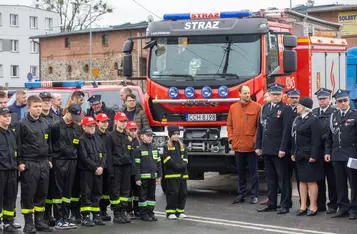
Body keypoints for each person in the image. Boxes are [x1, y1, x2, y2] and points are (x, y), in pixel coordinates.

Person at [17, 95, 52, 233]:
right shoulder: (22, 124)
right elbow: (18, 144)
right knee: (28, 194)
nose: (39, 109)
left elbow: (49, 143)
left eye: (40, 106)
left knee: (41, 193)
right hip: (29, 163)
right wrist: (19, 162)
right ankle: (29, 223)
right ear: (29, 107)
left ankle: (39, 221)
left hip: (44, 163)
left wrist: (49, 160)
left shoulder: (45, 123)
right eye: (36, 106)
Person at [255, 84, 293, 215]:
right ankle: (271, 203)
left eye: (278, 94)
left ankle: (285, 204)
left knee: (283, 179)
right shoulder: (264, 108)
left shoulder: (285, 109)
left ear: (282, 95)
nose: (276, 96)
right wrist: (258, 146)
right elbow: (260, 128)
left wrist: (283, 148)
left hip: (279, 150)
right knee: (270, 179)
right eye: (273, 94)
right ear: (269, 95)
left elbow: (286, 130)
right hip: (267, 149)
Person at [325, 89, 357, 220]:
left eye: (345, 101)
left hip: (352, 155)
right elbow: (329, 137)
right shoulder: (334, 116)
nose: (343, 103)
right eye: (340, 101)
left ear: (349, 101)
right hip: (337, 155)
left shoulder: (355, 115)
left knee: (354, 183)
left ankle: (354, 209)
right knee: (340, 183)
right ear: (336, 103)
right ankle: (343, 206)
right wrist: (327, 152)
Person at [50, 104, 83, 230]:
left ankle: (65, 217)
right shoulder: (56, 126)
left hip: (72, 162)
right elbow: (52, 144)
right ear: (66, 112)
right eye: (72, 115)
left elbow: (77, 143)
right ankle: (58, 219)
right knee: (58, 191)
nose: (74, 118)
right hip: (59, 161)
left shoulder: (76, 127)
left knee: (67, 192)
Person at [227, 85, 261, 205]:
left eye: (248, 93)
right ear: (239, 94)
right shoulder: (233, 108)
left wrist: (255, 141)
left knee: (254, 173)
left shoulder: (257, 107)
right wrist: (231, 139)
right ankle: (241, 194)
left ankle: (254, 195)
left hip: (251, 147)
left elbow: (259, 127)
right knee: (240, 172)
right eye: (245, 93)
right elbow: (229, 125)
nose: (248, 95)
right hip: (238, 146)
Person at [291, 97, 323, 216]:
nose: (297, 107)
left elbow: (316, 139)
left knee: (311, 181)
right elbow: (294, 138)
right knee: (302, 182)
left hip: (309, 156)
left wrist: (314, 155)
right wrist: (293, 152)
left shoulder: (313, 120)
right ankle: (303, 206)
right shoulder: (298, 119)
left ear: (304, 108)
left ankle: (313, 206)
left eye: (298, 105)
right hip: (300, 155)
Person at [312, 88, 338, 214]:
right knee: (319, 179)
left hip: (330, 151)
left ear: (329, 99)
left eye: (324, 99)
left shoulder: (334, 112)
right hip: (317, 151)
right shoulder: (314, 112)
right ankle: (320, 204)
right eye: (320, 99)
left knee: (332, 180)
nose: (322, 101)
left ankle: (333, 204)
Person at [78, 116, 106, 226]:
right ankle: (85, 216)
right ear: (84, 127)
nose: (93, 128)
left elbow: (104, 154)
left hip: (98, 171)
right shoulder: (82, 140)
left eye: (94, 125)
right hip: (87, 171)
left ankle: (96, 215)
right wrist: (95, 168)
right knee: (86, 193)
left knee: (97, 193)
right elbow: (84, 158)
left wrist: (101, 167)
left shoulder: (98, 138)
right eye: (90, 126)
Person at [104, 112, 132, 224]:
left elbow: (130, 153)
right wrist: (110, 170)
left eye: (125, 121)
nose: (123, 123)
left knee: (125, 191)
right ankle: (116, 214)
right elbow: (108, 155)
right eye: (121, 121)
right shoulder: (110, 136)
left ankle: (123, 211)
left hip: (126, 167)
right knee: (115, 191)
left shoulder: (126, 137)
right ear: (116, 122)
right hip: (115, 167)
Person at [38, 92, 60, 227]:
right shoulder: (36, 118)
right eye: (44, 100)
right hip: (41, 157)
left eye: (48, 100)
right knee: (42, 188)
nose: (46, 103)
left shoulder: (56, 118)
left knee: (53, 188)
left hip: (55, 157)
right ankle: (43, 215)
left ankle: (50, 214)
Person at [134, 128, 162, 222]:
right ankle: (143, 214)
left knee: (151, 196)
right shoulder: (139, 150)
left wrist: (159, 176)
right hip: (143, 178)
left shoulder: (154, 148)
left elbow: (158, 163)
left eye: (151, 136)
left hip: (153, 177)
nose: (150, 138)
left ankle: (150, 212)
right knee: (143, 197)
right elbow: (136, 166)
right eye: (148, 136)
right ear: (142, 137)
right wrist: (137, 178)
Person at [163, 125, 189, 220]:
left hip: (182, 174)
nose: (176, 136)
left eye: (178, 134)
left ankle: (180, 211)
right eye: (174, 134)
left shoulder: (182, 145)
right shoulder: (167, 146)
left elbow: (186, 158)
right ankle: (170, 212)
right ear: (170, 134)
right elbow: (167, 159)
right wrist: (176, 166)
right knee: (173, 192)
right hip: (172, 174)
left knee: (183, 193)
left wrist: (183, 165)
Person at [0, 107, 19, 232]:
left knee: (10, 197)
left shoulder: (11, 133)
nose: (8, 118)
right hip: (1, 171)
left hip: (12, 170)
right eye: (4, 116)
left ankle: (8, 222)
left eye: (9, 116)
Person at [95, 113, 111, 222]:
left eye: (106, 122)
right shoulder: (95, 135)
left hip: (107, 166)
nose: (105, 124)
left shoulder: (109, 135)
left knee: (106, 190)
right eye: (103, 122)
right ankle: (97, 212)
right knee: (97, 190)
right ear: (97, 123)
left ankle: (103, 210)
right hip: (98, 166)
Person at [286, 88, 300, 208]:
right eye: (292, 97)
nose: (294, 100)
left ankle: (303, 203)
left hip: (299, 150)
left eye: (296, 97)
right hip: (286, 150)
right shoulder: (284, 110)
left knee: (301, 178)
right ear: (287, 98)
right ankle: (287, 202)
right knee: (286, 178)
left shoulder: (302, 111)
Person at [126, 121, 141, 219]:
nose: (133, 132)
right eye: (131, 130)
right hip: (128, 171)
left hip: (137, 171)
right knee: (128, 192)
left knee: (137, 193)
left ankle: (137, 210)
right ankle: (128, 210)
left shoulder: (138, 142)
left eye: (134, 130)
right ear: (127, 130)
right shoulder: (126, 140)